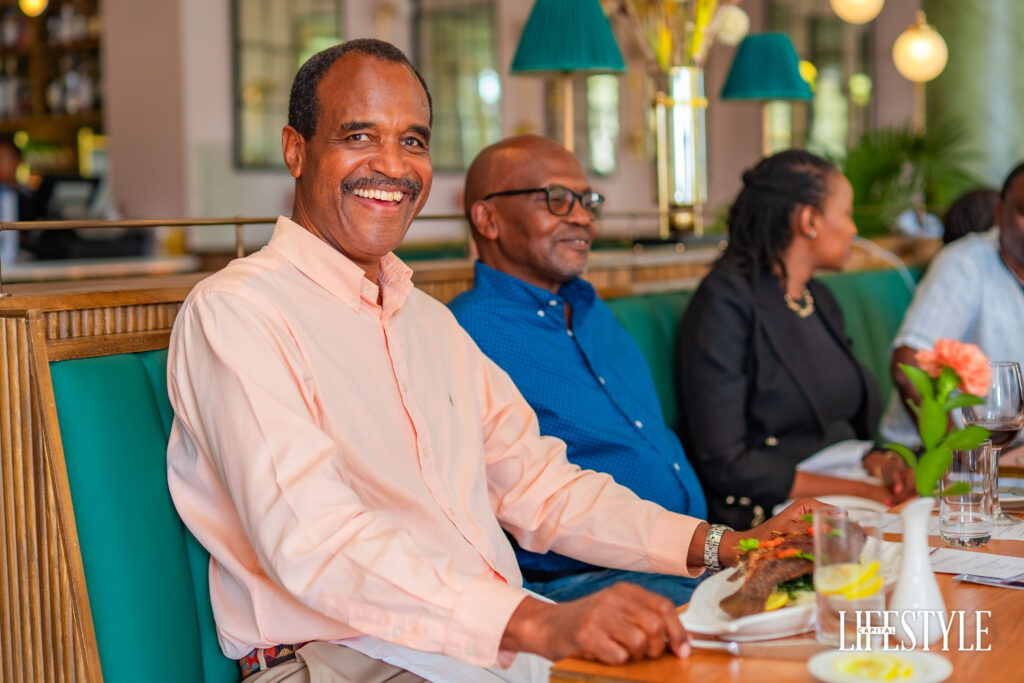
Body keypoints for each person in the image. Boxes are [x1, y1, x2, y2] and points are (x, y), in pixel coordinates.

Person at [166, 40, 822, 682]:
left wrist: (731, 544)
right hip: (346, 659)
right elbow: (315, 542)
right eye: (359, 136)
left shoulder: (429, 323)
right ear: (296, 149)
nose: (392, 165)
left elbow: (542, 487)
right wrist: (535, 623)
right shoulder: (238, 312)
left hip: (485, 647)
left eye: (413, 141)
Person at [449, 135, 706, 606]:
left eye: (587, 201)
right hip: (581, 582)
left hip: (687, 554)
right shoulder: (464, 334)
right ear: (488, 219)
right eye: (557, 199)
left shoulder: (590, 309)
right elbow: (525, 497)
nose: (584, 218)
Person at [675, 150, 914, 530]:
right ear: (809, 220)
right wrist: (863, 491)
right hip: (774, 512)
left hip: (850, 486)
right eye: (847, 214)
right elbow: (726, 462)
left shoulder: (818, 298)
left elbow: (841, 424)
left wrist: (879, 461)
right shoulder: (723, 304)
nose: (853, 229)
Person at [881, 162, 1024, 447]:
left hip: (1009, 455)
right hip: (927, 456)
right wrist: (961, 457)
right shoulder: (964, 264)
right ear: (999, 213)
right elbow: (909, 366)